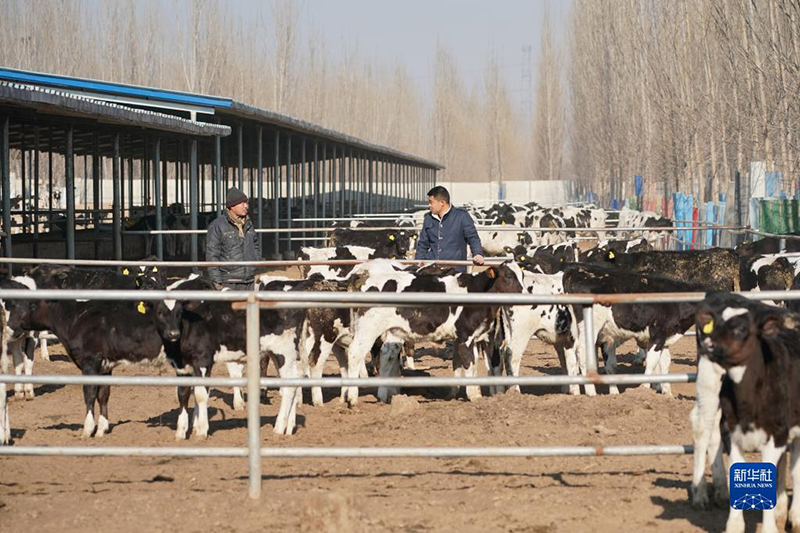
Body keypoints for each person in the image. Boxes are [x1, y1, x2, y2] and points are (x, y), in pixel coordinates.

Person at [414, 186, 484, 271]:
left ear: (442, 203)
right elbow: (423, 244)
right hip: (432, 270)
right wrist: (418, 262)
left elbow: (473, 238)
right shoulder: (428, 218)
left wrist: (477, 253)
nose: (429, 205)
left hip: (455, 270)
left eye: (431, 202)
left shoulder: (462, 216)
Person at [206, 187, 261, 290]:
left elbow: (255, 245)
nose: (246, 206)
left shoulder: (248, 223)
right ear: (232, 206)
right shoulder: (217, 226)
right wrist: (216, 281)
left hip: (249, 280)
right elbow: (212, 255)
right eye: (242, 203)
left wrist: (255, 263)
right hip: (229, 281)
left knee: (249, 306)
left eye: (246, 203)